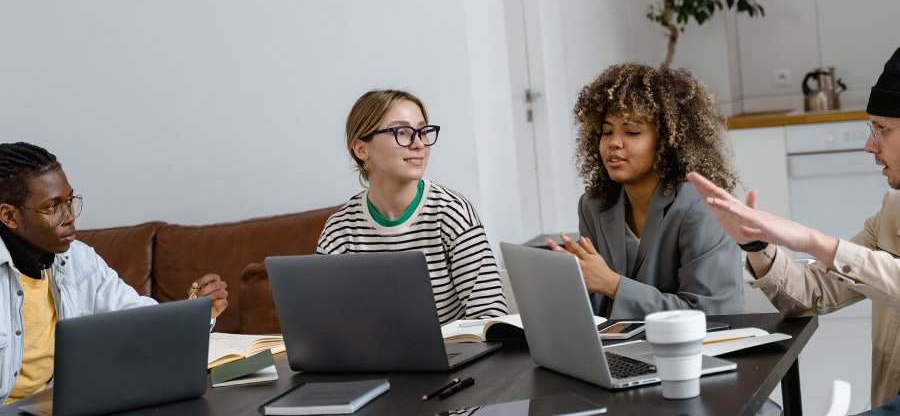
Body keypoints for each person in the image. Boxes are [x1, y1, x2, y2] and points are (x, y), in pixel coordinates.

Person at [686, 46, 900, 409]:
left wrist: (811, 240)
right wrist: (757, 245)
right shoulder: (892, 210)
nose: (869, 145)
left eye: (881, 129)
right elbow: (814, 294)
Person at [0, 142, 228, 405]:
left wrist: (199, 311)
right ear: (9, 216)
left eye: (70, 201)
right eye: (53, 207)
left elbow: (143, 322)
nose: (70, 217)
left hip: (55, 406)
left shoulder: (80, 261)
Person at [548, 63, 747, 319]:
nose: (613, 143)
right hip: (625, 343)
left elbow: (710, 314)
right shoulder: (593, 206)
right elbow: (598, 306)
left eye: (632, 132)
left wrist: (612, 284)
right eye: (606, 131)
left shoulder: (703, 207)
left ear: (667, 141)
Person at [317, 89, 506, 326]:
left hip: (455, 350)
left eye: (423, 132)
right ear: (361, 149)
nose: (419, 144)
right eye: (401, 132)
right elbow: (328, 324)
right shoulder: (339, 230)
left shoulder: (454, 214)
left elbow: (490, 319)